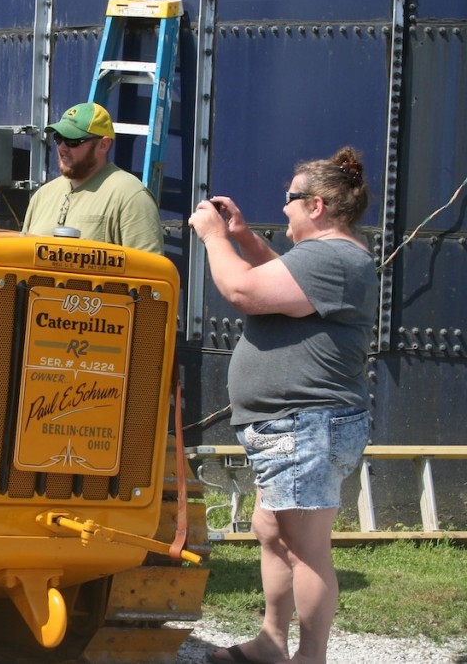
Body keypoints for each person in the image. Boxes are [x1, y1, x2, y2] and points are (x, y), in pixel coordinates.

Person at [188, 147, 378, 664]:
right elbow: (284, 282)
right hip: (295, 424)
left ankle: (310, 657)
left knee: (304, 547)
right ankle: (273, 643)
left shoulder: (331, 256)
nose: (284, 207)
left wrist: (215, 238)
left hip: (306, 423)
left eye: (290, 199)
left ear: (316, 205)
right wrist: (245, 237)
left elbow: (244, 291)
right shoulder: (328, 259)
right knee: (273, 533)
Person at [21, 101, 163, 253]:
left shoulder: (131, 196)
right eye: (58, 138)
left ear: (103, 145)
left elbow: (149, 266)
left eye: (72, 141)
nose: (62, 147)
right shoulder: (43, 195)